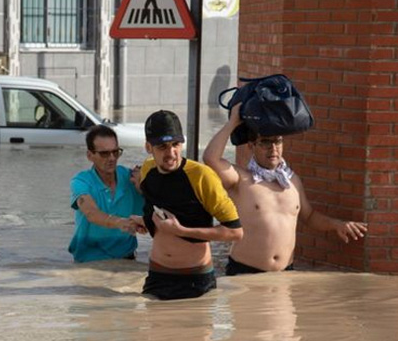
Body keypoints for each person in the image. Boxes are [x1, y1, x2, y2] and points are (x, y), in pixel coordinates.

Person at [203, 103, 368, 276]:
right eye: (265, 142)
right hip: (245, 273)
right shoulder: (240, 179)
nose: (273, 148)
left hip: (285, 274)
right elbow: (210, 158)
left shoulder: (292, 181)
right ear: (251, 146)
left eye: (277, 141)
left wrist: (337, 225)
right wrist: (232, 123)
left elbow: (309, 216)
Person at [132, 110, 243, 300]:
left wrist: (182, 230)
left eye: (176, 144)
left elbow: (235, 233)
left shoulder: (202, 176)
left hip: (196, 280)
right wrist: (144, 221)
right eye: (162, 147)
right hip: (156, 277)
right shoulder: (147, 169)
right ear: (148, 147)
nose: (171, 153)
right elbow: (165, 209)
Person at [69, 125, 146, 263]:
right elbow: (91, 213)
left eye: (115, 152)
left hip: (127, 260)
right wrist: (119, 222)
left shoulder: (131, 178)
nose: (111, 158)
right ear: (90, 155)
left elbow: (158, 208)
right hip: (90, 261)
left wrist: (144, 188)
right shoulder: (81, 181)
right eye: (104, 153)